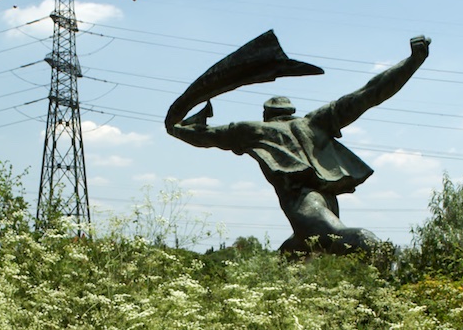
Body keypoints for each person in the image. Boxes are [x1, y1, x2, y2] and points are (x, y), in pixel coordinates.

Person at [167, 35, 430, 254]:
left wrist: (176, 124)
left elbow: (203, 136)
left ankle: (376, 302)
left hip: (304, 204)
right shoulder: (315, 122)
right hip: (325, 201)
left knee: (357, 241)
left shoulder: (255, 130)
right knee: (290, 254)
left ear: (266, 114)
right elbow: (369, 93)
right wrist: (412, 62)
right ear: (291, 112)